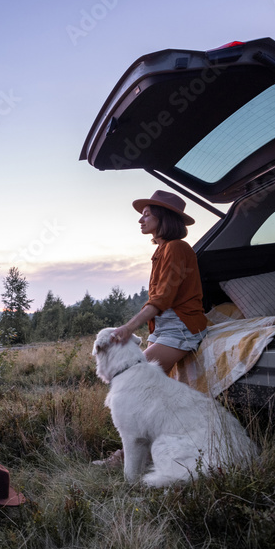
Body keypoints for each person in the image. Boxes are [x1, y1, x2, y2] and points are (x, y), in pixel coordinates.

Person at [94, 189, 208, 467]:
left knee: (133, 379)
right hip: (167, 328)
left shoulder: (177, 248)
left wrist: (128, 327)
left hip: (181, 328)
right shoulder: (162, 250)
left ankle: (128, 456)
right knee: (150, 398)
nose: (140, 220)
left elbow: (162, 299)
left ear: (164, 217)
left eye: (146, 214)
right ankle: (149, 450)